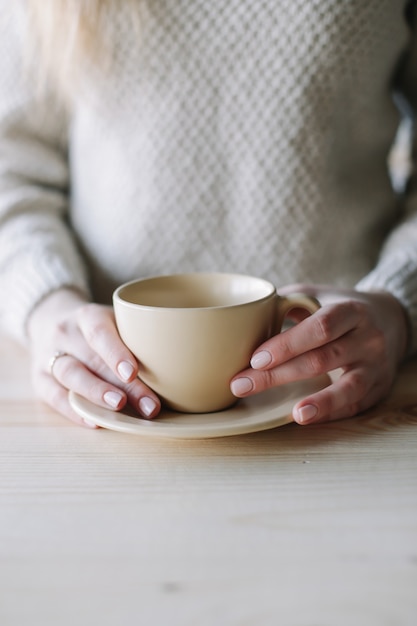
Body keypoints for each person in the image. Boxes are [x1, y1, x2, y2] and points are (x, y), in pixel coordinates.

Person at [0, 0, 416, 428]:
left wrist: (400, 302)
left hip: (347, 393)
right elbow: (12, 170)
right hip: (109, 401)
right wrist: (47, 307)